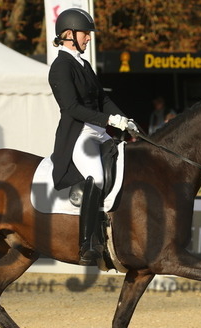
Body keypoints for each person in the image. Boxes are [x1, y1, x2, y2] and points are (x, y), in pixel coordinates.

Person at [48, 8, 137, 265]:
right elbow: (72, 108)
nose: (88, 38)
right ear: (68, 35)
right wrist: (110, 120)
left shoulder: (83, 64)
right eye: (85, 34)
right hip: (80, 134)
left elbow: (103, 99)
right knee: (96, 177)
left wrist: (126, 120)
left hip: (98, 130)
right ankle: (87, 243)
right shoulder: (60, 67)